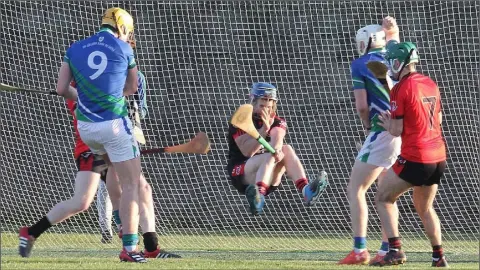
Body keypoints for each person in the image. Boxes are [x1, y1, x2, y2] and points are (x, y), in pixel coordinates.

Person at [54, 7, 145, 262]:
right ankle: (130, 248)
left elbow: (62, 89)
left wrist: (83, 97)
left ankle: (118, 219)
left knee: (113, 170)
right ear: (123, 28)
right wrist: (111, 94)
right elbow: (132, 87)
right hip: (114, 124)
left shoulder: (74, 48)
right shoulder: (125, 49)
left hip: (86, 129)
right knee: (132, 183)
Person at [370, 41, 448, 267]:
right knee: (424, 207)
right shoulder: (430, 83)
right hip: (438, 156)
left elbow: (396, 130)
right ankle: (439, 256)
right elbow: (439, 120)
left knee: (383, 198)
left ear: (398, 62)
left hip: (417, 156)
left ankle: (395, 250)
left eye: (391, 62)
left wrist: (387, 123)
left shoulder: (400, 88)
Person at [338, 16, 402, 265]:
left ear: (365, 42)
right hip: (401, 130)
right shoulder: (395, 57)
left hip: (381, 130)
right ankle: (387, 250)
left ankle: (359, 250)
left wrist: (366, 126)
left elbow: (362, 105)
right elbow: (395, 42)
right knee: (387, 195)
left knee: (356, 189)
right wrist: (393, 30)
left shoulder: (360, 63)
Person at [226, 82, 328, 216]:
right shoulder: (241, 121)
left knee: (286, 149)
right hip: (241, 173)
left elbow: (278, 138)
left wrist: (277, 149)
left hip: (268, 176)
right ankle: (258, 198)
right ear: (253, 102)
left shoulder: (278, 121)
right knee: (269, 156)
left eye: (269, 106)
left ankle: (306, 191)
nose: (266, 110)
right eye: (262, 105)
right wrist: (264, 130)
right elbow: (247, 151)